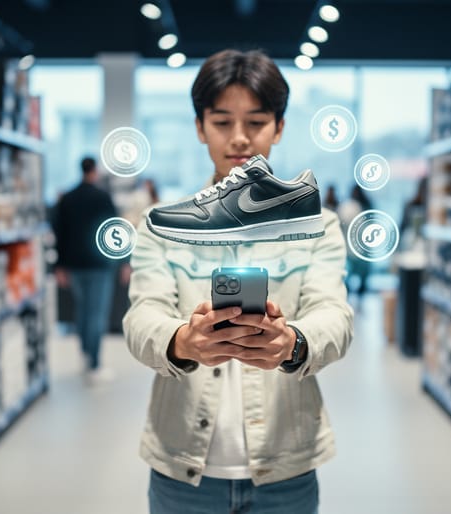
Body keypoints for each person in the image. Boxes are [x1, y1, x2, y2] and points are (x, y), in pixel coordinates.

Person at [123, 49, 353, 513]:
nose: (240, 138)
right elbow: (142, 315)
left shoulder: (319, 224)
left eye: (257, 121)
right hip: (181, 467)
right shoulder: (162, 223)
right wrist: (182, 341)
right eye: (223, 122)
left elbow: (335, 315)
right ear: (200, 126)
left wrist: (294, 343)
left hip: (285, 468)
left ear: (280, 127)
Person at [54, 156, 118, 384]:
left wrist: (59, 266)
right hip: (99, 265)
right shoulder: (103, 197)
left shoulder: (67, 198)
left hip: (74, 265)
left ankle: (84, 353)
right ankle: (94, 363)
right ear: (95, 171)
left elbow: (59, 234)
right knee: (97, 315)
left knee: (82, 311)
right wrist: (124, 261)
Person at [336, 184, 373, 299]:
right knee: (353, 276)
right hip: (356, 248)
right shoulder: (352, 206)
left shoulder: (353, 206)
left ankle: (355, 299)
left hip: (356, 248)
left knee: (355, 277)